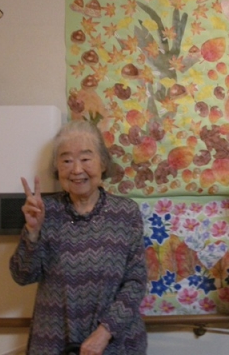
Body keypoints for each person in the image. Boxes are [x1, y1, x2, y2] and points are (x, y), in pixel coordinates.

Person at [9, 120, 147, 355]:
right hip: (54, 343)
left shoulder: (125, 213)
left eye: (85, 159)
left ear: (103, 163)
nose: (76, 170)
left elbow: (136, 282)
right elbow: (22, 276)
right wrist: (32, 232)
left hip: (115, 343)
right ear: (57, 167)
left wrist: (103, 333)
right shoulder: (44, 211)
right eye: (66, 160)